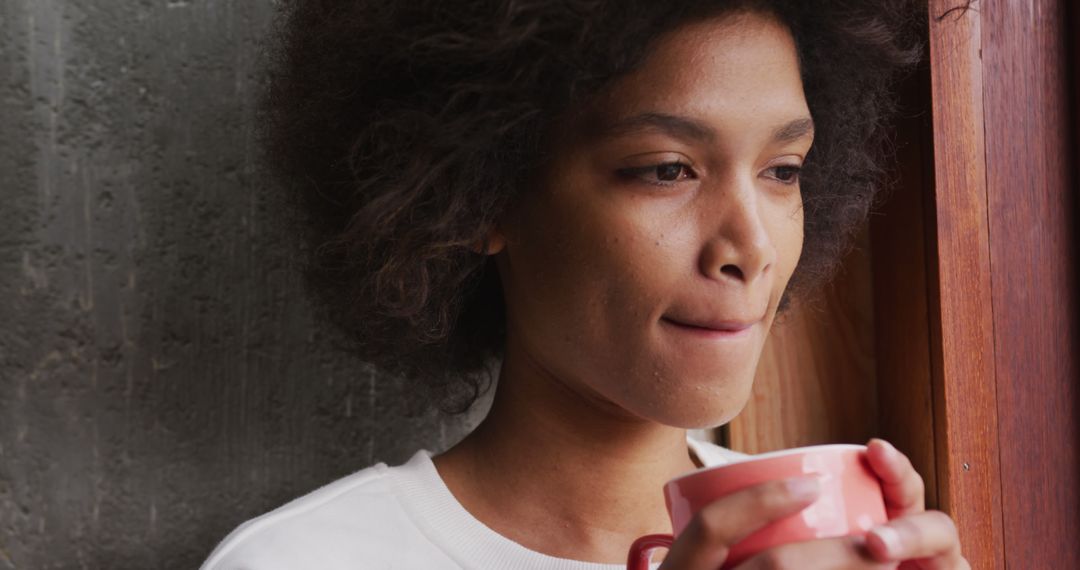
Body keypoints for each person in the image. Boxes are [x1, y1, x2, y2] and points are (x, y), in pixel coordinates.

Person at [203, 0, 970, 568]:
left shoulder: (828, 548)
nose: (753, 246)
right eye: (667, 170)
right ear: (483, 193)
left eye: (783, 172)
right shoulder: (307, 559)